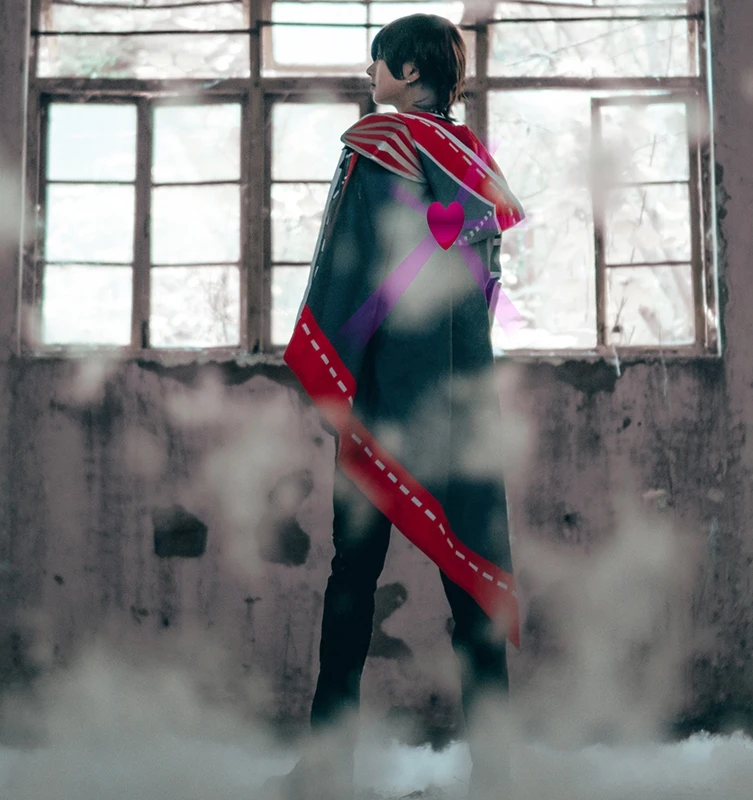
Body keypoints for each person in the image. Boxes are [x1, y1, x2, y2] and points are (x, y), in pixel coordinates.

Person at [276, 13, 526, 800]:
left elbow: (349, 268)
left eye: (378, 60)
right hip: (461, 405)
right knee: (471, 585)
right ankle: (500, 773)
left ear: (410, 71)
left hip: (385, 400)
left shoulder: (378, 145)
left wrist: (337, 367)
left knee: (352, 581)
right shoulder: (476, 163)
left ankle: (325, 769)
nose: (371, 73)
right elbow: (483, 291)